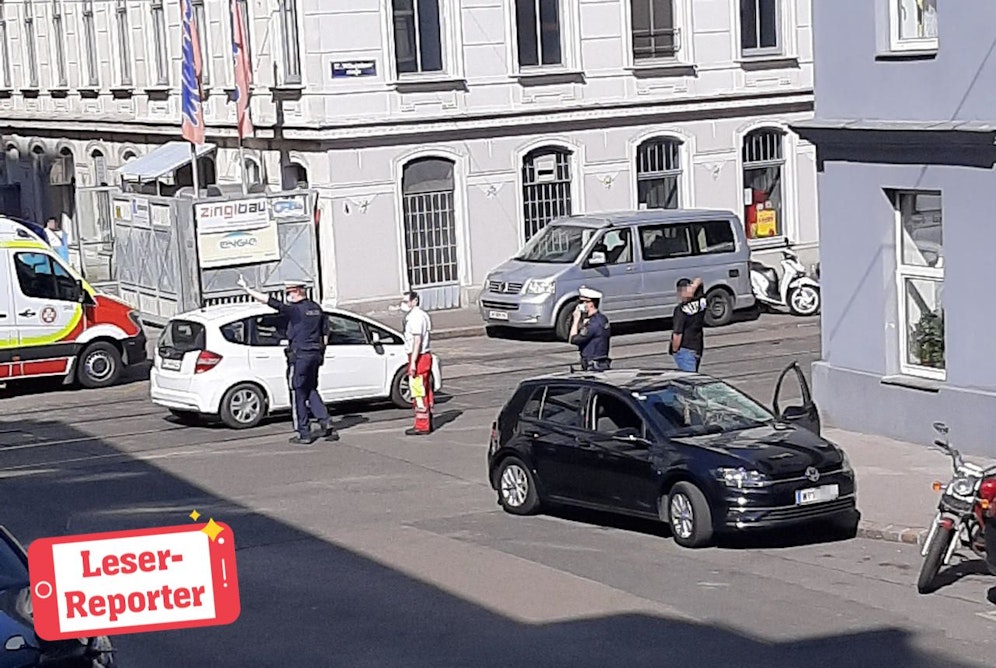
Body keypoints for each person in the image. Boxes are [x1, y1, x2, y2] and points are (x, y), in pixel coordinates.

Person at [238, 277, 337, 445]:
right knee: (310, 389)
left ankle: (303, 433)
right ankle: (325, 421)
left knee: (297, 392)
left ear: (297, 291)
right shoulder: (316, 308)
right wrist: (321, 354)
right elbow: (325, 334)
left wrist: (248, 290)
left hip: (299, 356)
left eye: (289, 292)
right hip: (314, 354)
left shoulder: (295, 310)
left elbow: (270, 301)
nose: (287, 296)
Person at [401, 291, 434, 436]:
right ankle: (428, 419)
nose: (404, 304)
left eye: (406, 301)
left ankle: (422, 425)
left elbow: (417, 341)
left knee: (418, 392)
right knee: (425, 391)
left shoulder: (416, 317)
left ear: (414, 301)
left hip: (419, 357)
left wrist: (413, 362)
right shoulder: (422, 315)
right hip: (422, 356)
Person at [570, 286, 611, 371]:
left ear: (590, 303)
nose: (580, 305)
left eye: (582, 302)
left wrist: (576, 320)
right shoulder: (602, 319)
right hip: (601, 362)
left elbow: (573, 339)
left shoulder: (593, 324)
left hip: (593, 366)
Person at [670, 277, 707, 372]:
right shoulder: (701, 304)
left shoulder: (680, 310)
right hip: (697, 347)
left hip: (684, 349)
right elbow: (699, 280)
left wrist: (675, 350)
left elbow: (677, 333)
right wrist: (692, 287)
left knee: (689, 380)